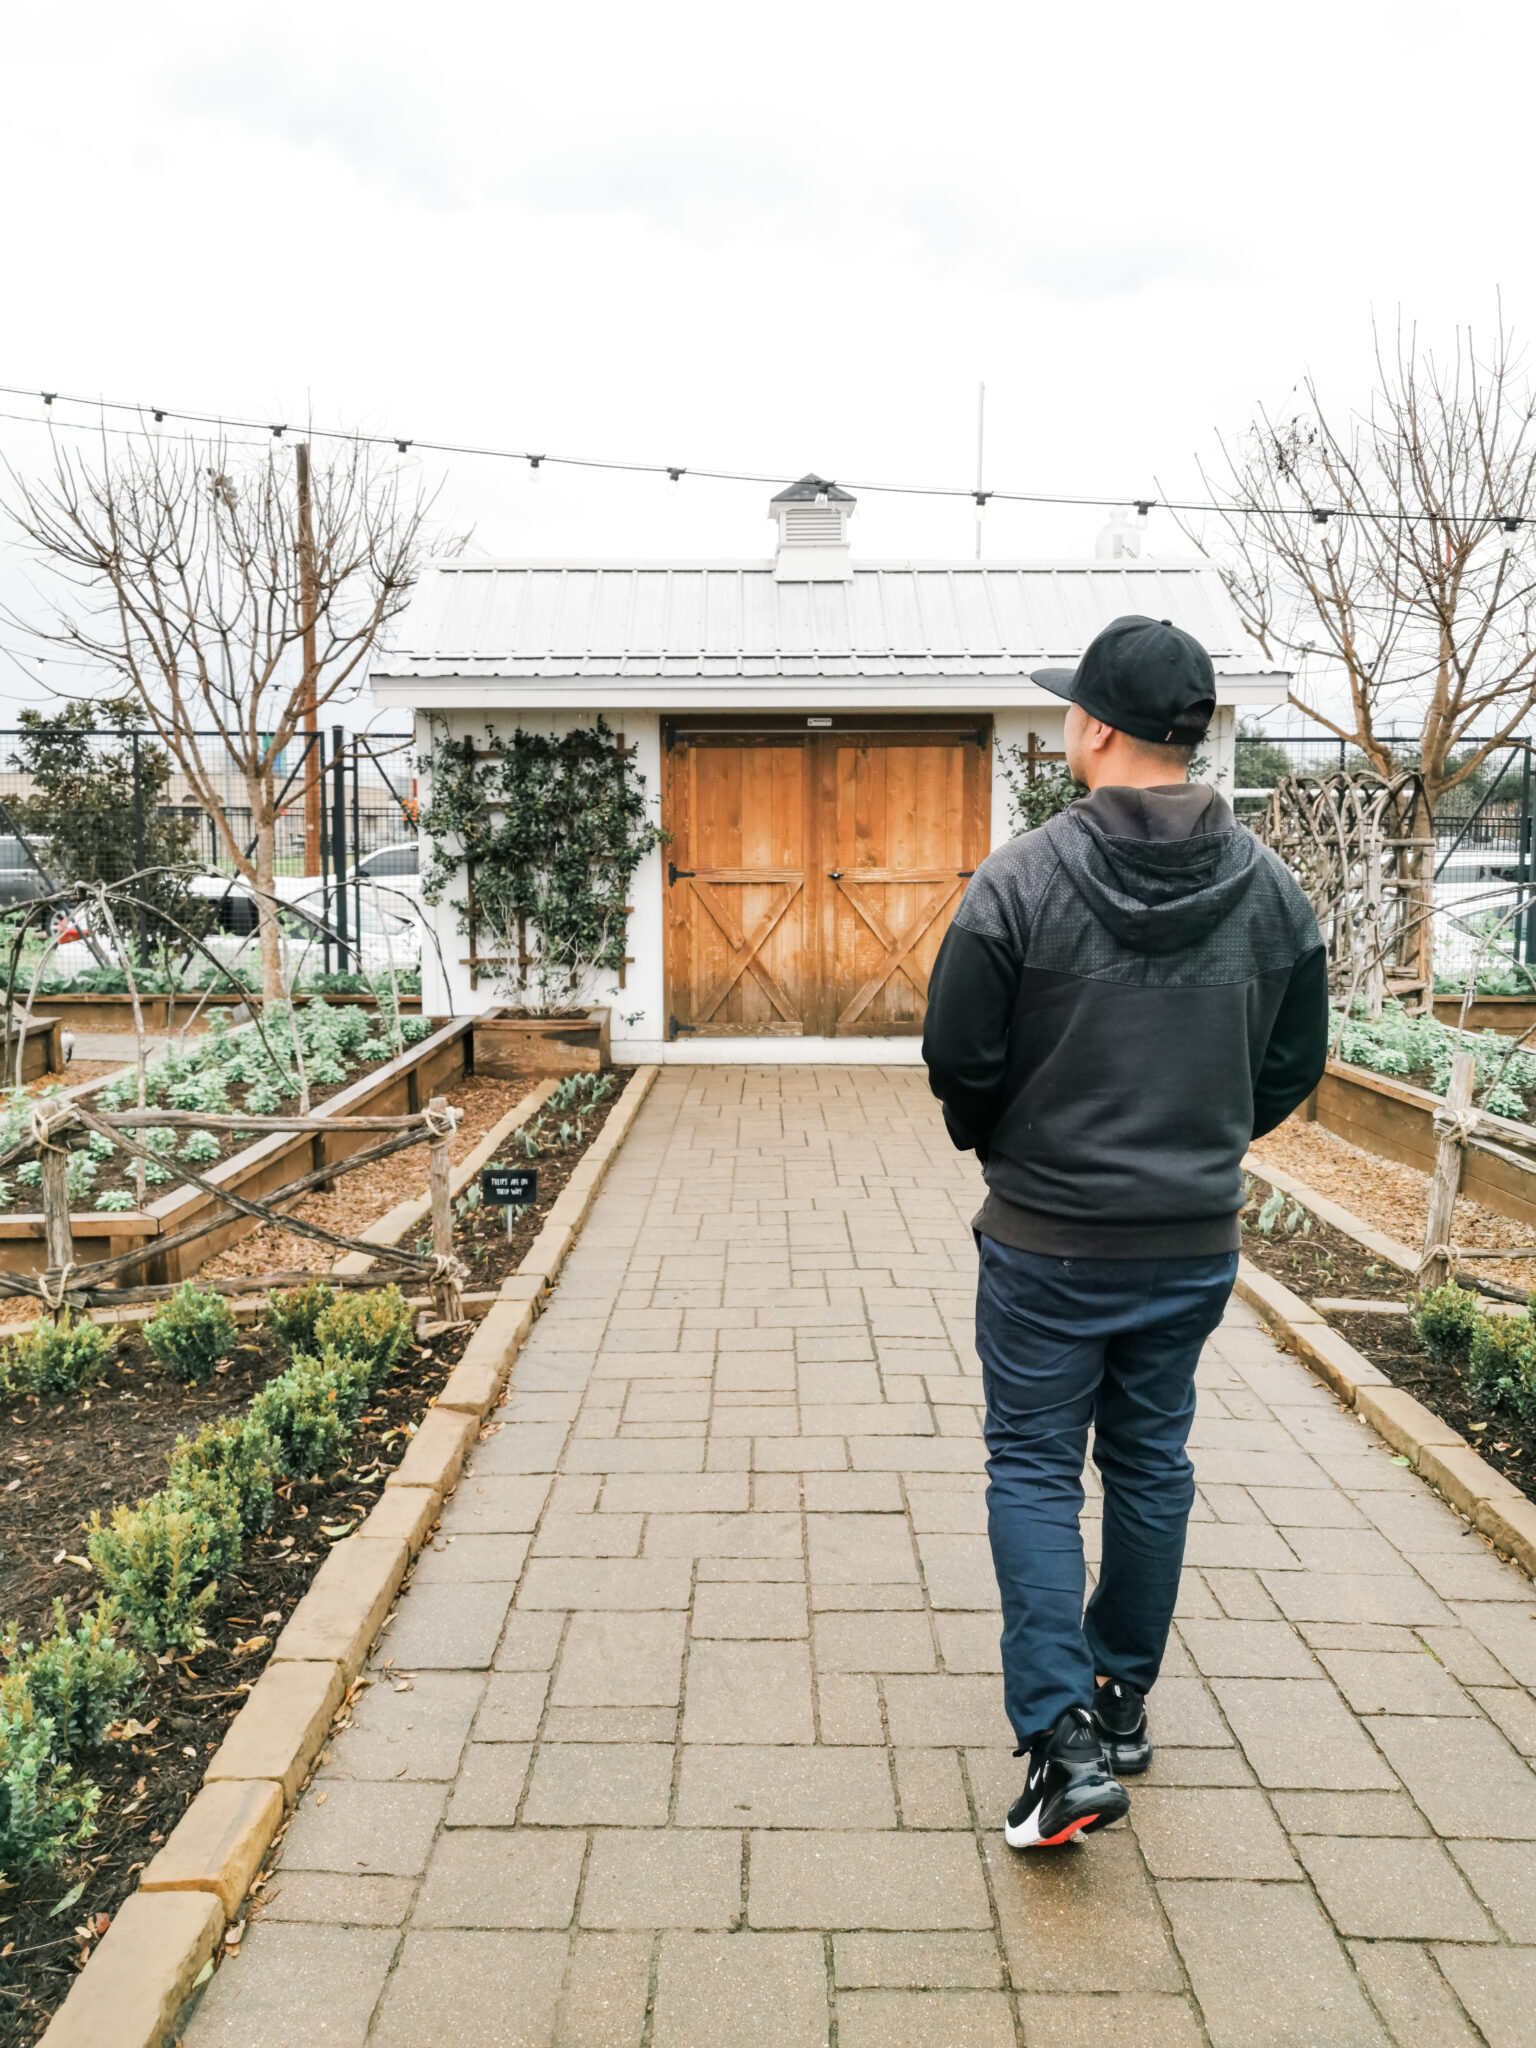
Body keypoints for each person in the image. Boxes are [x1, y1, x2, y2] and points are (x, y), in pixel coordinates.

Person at [922, 615, 1328, 1850]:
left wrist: (1009, 1144)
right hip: (1190, 1241)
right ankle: (1120, 1695)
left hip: (1047, 1238)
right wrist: (1202, 1145)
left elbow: (958, 1057)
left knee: (1037, 1469)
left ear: (1096, 727)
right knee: (1150, 1464)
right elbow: (1293, 1063)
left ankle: (1062, 1742)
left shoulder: (1021, 878)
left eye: (1069, 708)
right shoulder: (1272, 888)